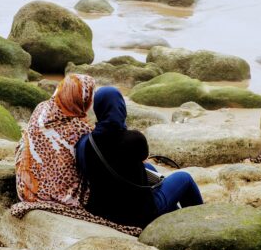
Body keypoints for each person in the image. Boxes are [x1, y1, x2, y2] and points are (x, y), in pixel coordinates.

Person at [76, 86, 203, 228]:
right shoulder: (134, 139)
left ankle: (174, 217)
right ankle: (200, 223)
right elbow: (142, 157)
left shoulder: (85, 143)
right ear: (121, 108)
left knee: (148, 168)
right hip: (138, 214)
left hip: (104, 211)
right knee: (184, 178)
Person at [15, 74, 95, 207]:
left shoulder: (41, 108)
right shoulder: (80, 129)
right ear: (83, 100)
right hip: (59, 199)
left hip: (25, 190)